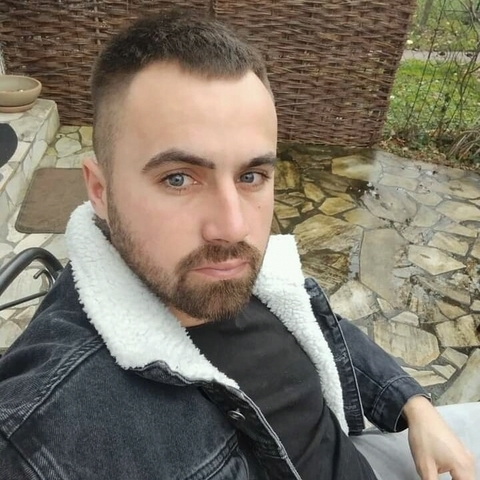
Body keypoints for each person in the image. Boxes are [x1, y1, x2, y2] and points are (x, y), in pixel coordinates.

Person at [0, 10, 478, 480]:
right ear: (100, 190)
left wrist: (415, 406)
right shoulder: (46, 434)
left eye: (251, 176)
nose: (233, 228)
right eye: (179, 178)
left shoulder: (239, 276)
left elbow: (321, 326)